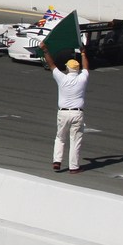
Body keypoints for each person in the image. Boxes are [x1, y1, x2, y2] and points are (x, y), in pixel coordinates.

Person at [42, 45, 89, 173]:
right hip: (77, 113)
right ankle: (73, 167)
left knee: (60, 137)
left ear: (67, 69)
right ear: (77, 70)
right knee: (75, 141)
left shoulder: (62, 78)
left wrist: (45, 50)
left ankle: (57, 161)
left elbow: (51, 65)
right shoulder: (82, 79)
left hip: (63, 112)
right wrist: (83, 53)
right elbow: (86, 67)